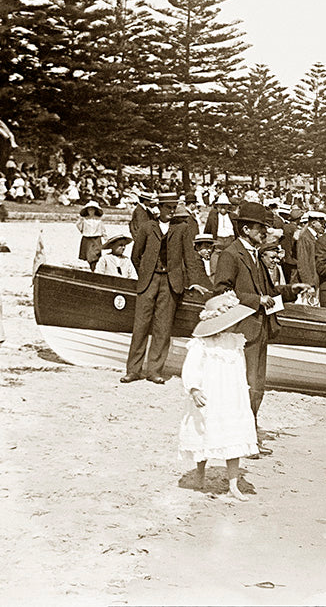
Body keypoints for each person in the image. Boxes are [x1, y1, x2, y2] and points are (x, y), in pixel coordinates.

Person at [212, 201, 308, 449]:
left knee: (257, 387)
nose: (264, 232)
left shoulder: (253, 255)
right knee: (247, 385)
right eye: (260, 228)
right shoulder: (231, 255)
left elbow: (268, 292)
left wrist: (290, 291)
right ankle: (244, 438)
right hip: (243, 330)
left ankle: (248, 435)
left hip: (260, 328)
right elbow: (222, 292)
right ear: (245, 229)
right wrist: (257, 300)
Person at [179, 292, 260, 501]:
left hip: (231, 394)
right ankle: (200, 472)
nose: (234, 325)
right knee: (205, 431)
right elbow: (191, 368)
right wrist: (194, 389)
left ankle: (233, 484)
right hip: (211, 393)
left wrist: (243, 389)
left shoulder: (235, 341)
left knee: (234, 434)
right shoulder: (202, 343)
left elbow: (239, 368)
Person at [125, 192, 207, 385]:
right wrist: (145, 274)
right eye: (168, 207)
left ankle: (154, 371)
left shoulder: (182, 229)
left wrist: (194, 281)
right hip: (149, 281)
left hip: (171, 283)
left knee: (163, 328)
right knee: (140, 326)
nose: (171, 211)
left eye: (173, 207)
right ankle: (133, 370)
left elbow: (190, 258)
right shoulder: (147, 227)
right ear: (159, 208)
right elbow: (135, 256)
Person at [76, 199, 105, 270]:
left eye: (93, 210)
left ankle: (94, 268)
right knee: (87, 256)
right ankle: (91, 268)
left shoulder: (98, 220)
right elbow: (79, 227)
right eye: (89, 210)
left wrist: (106, 237)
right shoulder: (85, 219)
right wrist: (80, 221)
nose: (91, 211)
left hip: (96, 239)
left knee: (95, 255)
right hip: (87, 238)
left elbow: (103, 229)